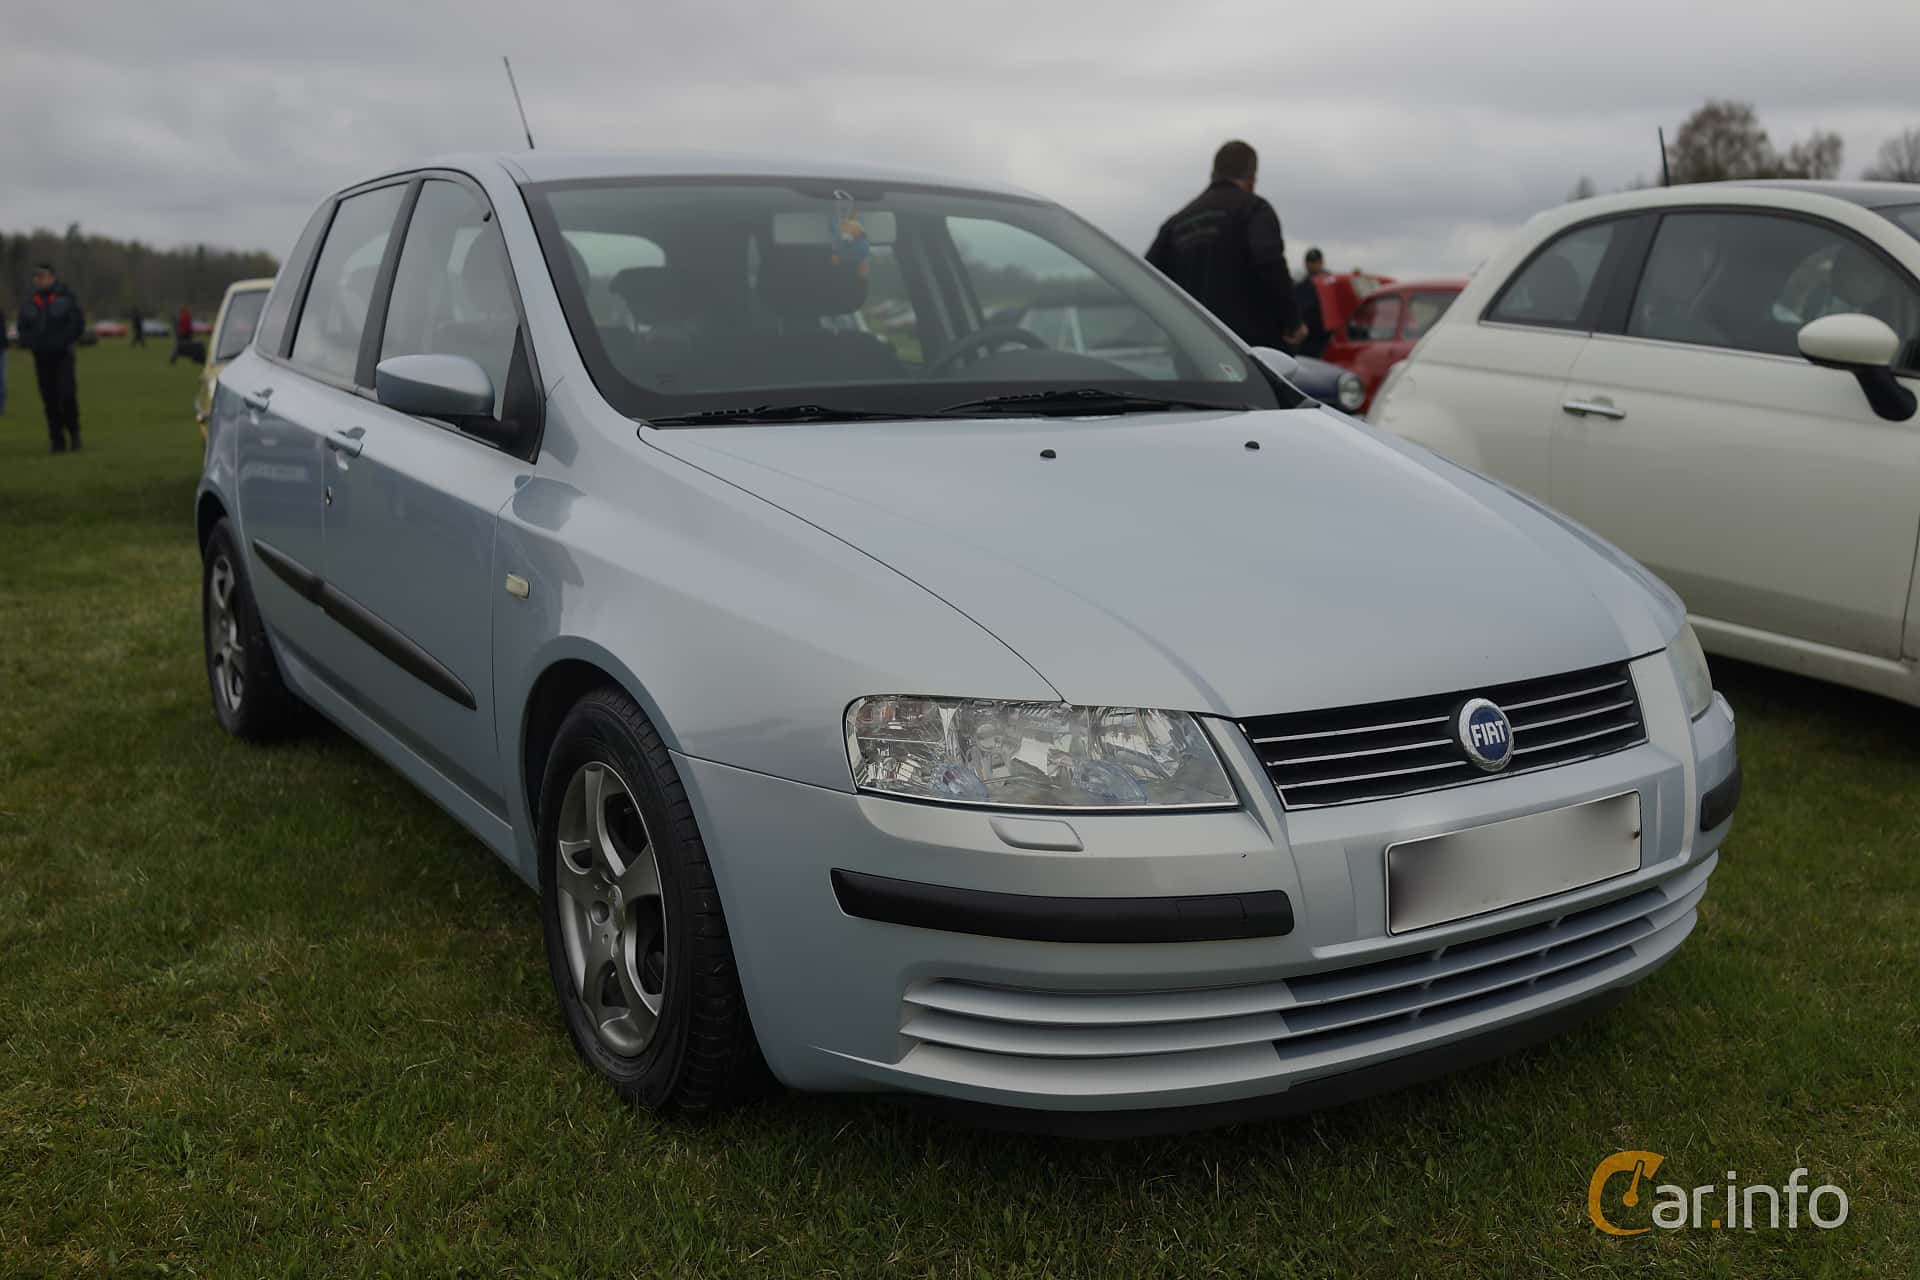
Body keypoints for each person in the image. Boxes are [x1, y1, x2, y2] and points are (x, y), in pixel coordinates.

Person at [1146, 140, 1304, 352]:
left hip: (1193, 355)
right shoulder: (1253, 208)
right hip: (1251, 355)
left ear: (1213, 173)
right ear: (1252, 178)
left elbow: (1148, 280)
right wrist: (1292, 321)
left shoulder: (1176, 223)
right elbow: (1269, 262)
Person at [17, 263, 84, 453]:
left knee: (67, 395)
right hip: (41, 357)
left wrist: (64, 341)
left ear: (52, 277)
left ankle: (74, 433)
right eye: (36, 276)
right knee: (49, 400)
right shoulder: (30, 302)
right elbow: (23, 327)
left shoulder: (66, 298)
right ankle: (57, 440)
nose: (39, 280)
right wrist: (30, 343)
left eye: (43, 276)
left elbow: (77, 323)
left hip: (63, 355)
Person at [1293, 248, 1330, 357]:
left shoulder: (1330, 283)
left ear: (1321, 262)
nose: (1312, 265)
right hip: (1308, 337)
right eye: (1310, 262)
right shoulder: (1301, 286)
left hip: (1326, 336)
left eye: (1315, 262)